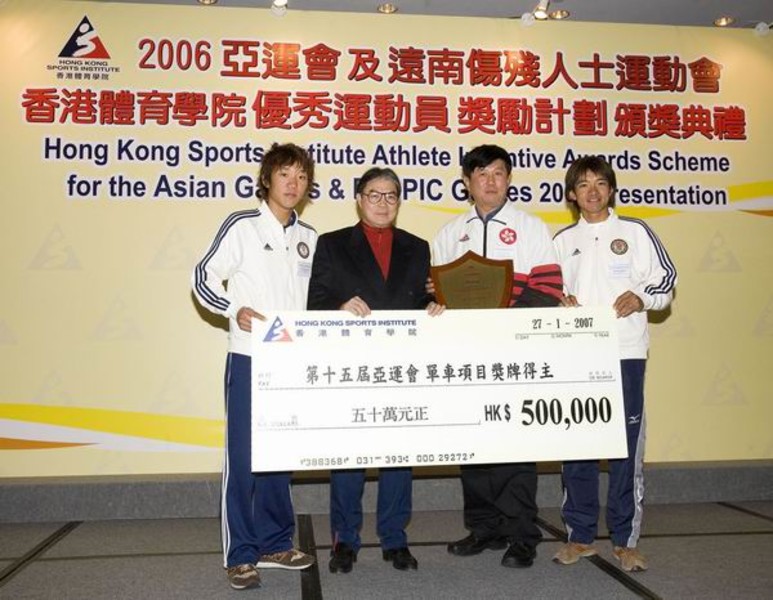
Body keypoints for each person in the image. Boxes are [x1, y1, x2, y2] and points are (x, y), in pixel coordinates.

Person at [191, 142, 317, 590]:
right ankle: (241, 553)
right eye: (285, 174)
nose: (293, 184)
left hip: (292, 363)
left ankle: (275, 542)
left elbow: (316, 303)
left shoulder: (310, 238)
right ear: (267, 179)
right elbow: (202, 276)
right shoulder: (242, 226)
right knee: (242, 458)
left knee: (279, 457)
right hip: (248, 356)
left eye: (301, 177)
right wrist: (233, 308)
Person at [307, 166, 444, 574]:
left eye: (391, 196)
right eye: (374, 194)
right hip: (351, 366)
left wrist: (434, 306)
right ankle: (344, 540)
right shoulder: (330, 244)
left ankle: (394, 538)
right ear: (358, 199)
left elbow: (419, 301)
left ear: (399, 202)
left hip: (402, 366)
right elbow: (313, 301)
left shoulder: (417, 247)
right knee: (349, 455)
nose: (383, 203)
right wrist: (338, 306)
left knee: (399, 456)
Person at [433, 144, 564, 568]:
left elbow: (548, 288)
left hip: (514, 352)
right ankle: (484, 527)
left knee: (515, 444)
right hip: (465, 356)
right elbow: (434, 296)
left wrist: (503, 327)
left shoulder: (531, 228)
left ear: (509, 179)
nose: (490, 181)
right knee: (471, 444)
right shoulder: (450, 234)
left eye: (499, 173)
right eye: (481, 173)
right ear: (466, 181)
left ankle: (522, 533)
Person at [552, 155, 677, 572]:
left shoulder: (636, 232)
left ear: (611, 189)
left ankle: (625, 539)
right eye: (583, 184)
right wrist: (560, 303)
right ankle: (580, 536)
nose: (592, 191)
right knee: (578, 444)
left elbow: (665, 281)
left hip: (625, 353)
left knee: (626, 448)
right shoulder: (561, 240)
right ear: (572, 194)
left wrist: (641, 296)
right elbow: (549, 292)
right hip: (578, 354)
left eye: (600, 183)